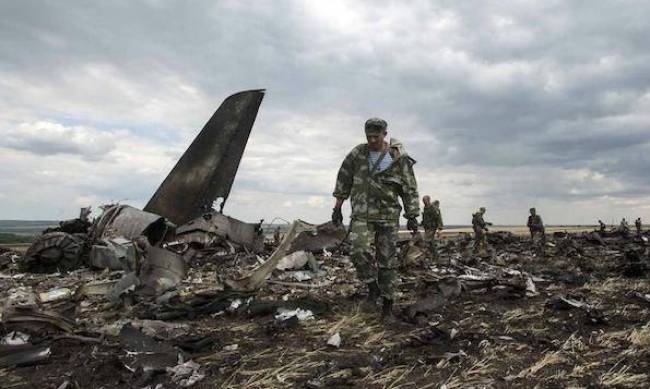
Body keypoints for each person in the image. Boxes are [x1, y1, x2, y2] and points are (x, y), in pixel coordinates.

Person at [332, 117, 420, 320]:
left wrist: (412, 215)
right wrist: (337, 207)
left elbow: (409, 188)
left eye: (376, 136)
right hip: (362, 214)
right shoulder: (357, 154)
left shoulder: (397, 157)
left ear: (385, 135)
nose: (372, 140)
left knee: (387, 263)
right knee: (358, 250)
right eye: (368, 136)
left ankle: (387, 307)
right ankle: (373, 287)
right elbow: (344, 178)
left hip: (388, 216)